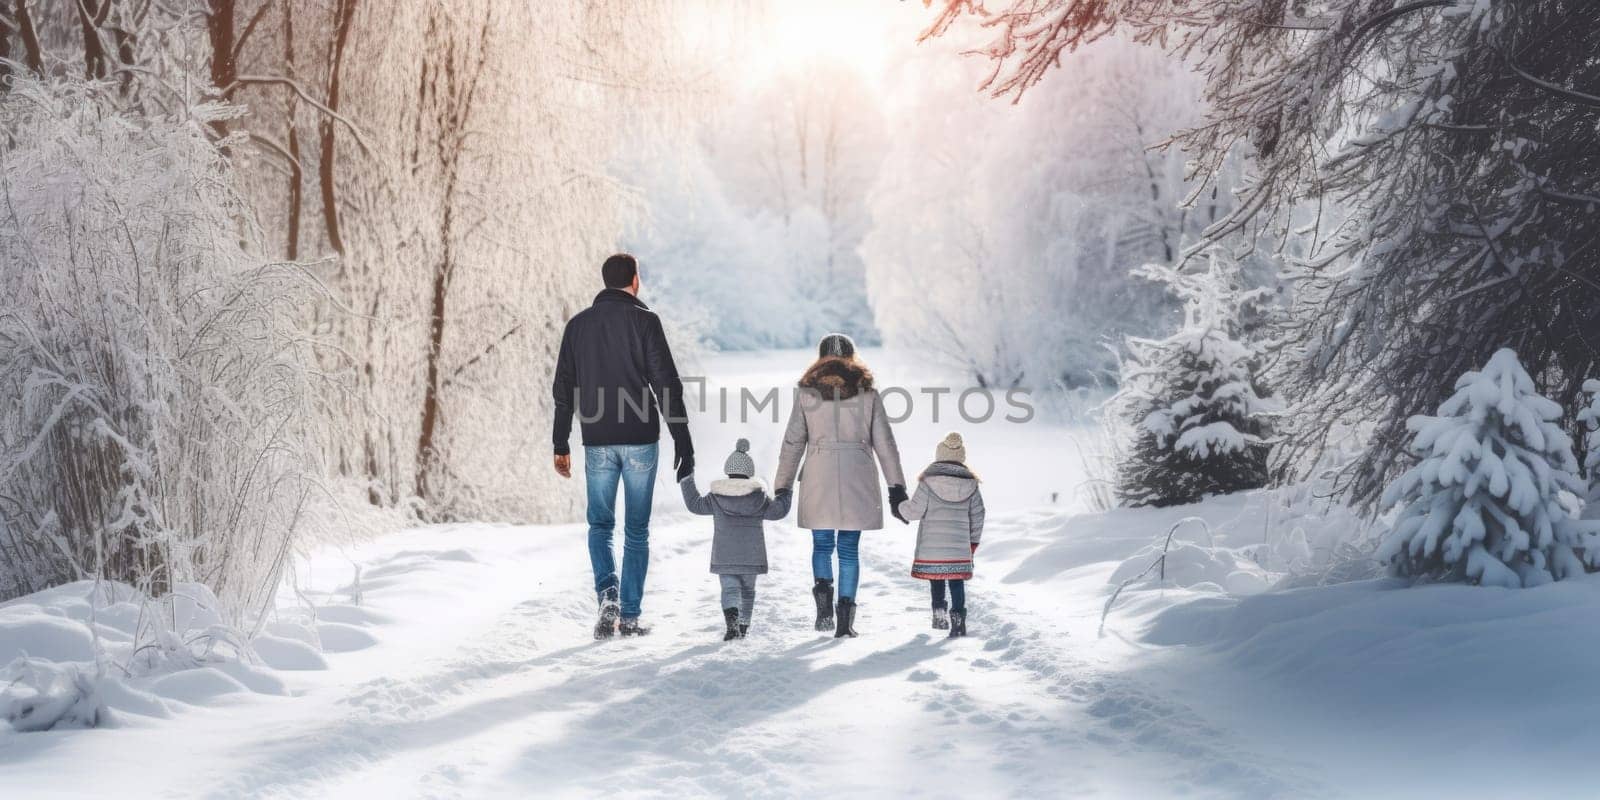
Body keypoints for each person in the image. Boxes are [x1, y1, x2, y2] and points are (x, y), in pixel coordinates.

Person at [552, 253, 694, 639]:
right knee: (636, 530)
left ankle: (607, 594)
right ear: (635, 280)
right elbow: (667, 385)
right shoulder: (645, 321)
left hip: (597, 439)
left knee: (599, 523)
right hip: (640, 439)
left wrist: (560, 442)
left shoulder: (578, 326)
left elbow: (563, 388)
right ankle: (629, 616)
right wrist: (683, 441)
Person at [774, 333, 907, 638]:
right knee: (848, 549)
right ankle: (845, 621)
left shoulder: (807, 395)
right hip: (856, 475)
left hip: (819, 474)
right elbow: (885, 444)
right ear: (852, 356)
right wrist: (896, 487)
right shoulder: (868, 394)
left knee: (822, 544)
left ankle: (823, 610)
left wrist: (783, 487)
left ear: (820, 357)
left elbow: (793, 443)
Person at [680, 438, 792, 641]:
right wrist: (785, 492)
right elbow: (779, 511)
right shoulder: (759, 498)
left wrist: (687, 478)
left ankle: (731, 625)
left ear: (727, 471)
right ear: (749, 473)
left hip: (725, 557)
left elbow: (694, 505)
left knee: (730, 589)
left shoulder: (715, 498)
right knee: (748, 592)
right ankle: (743, 627)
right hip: (752, 557)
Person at [896, 432, 985, 638]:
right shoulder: (971, 484)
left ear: (939, 455)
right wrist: (972, 542)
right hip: (959, 547)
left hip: (932, 545)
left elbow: (913, 511)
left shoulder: (928, 482)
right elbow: (979, 515)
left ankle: (939, 615)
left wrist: (899, 503)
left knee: (936, 578)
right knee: (956, 581)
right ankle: (959, 623)